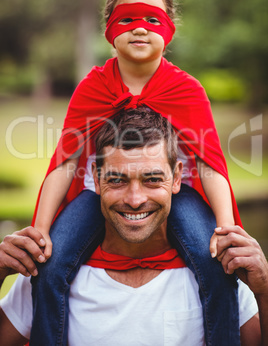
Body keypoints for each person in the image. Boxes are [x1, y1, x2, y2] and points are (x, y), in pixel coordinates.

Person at [30, 0, 242, 345]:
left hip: (177, 192)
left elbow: (210, 163)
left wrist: (226, 230)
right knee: (49, 267)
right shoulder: (92, 88)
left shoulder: (186, 90)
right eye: (127, 19)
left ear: (169, 30)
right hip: (102, 191)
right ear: (110, 29)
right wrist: (41, 231)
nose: (140, 29)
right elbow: (64, 162)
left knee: (215, 265)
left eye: (152, 20)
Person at [0, 108, 267, 346]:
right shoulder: (49, 270)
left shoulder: (219, 271)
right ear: (95, 178)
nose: (135, 200)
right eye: (117, 180)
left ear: (176, 179)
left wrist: (264, 291)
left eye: (152, 180)